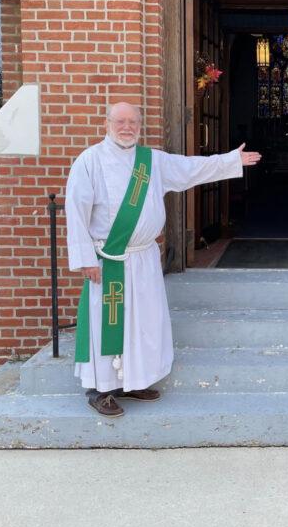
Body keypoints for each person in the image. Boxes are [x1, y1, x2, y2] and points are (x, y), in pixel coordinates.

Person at [65, 102, 261, 417]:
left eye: (133, 122)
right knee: (108, 324)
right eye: (120, 121)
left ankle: (136, 380)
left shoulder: (151, 161)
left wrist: (229, 161)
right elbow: (76, 211)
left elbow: (191, 169)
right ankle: (101, 389)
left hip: (143, 259)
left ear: (139, 125)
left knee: (145, 323)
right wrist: (84, 259)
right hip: (108, 259)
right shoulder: (90, 161)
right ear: (107, 123)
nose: (127, 127)